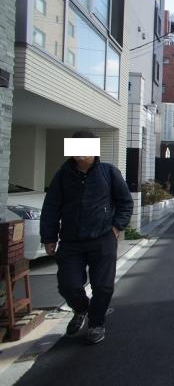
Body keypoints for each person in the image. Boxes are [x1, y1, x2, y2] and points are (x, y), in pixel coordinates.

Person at [40, 131, 134, 345]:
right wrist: (49, 237)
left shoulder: (108, 172)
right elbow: (51, 207)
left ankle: (96, 323)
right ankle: (82, 309)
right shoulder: (63, 175)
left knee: (103, 286)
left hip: (103, 238)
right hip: (71, 241)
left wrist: (117, 226)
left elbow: (125, 202)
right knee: (68, 285)